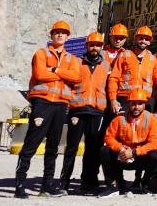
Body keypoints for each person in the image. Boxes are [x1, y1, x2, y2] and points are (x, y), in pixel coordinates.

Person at [14, 20, 81, 199]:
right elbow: (40, 74)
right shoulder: (41, 53)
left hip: (60, 105)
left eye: (63, 32)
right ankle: (20, 185)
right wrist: (61, 73)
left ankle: (47, 186)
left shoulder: (72, 59)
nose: (60, 35)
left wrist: (54, 69)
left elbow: (76, 77)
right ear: (51, 35)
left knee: (53, 146)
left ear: (68, 37)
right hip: (42, 103)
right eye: (56, 32)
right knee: (31, 144)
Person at [59, 31, 110, 195]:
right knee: (71, 148)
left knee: (92, 149)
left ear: (101, 47)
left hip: (96, 112)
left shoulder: (106, 65)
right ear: (86, 46)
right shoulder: (76, 63)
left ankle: (88, 183)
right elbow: (66, 83)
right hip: (77, 110)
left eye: (98, 45)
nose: (94, 47)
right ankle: (64, 183)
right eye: (91, 44)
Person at [99, 89, 157, 197]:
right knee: (104, 151)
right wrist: (121, 149)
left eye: (140, 103)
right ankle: (115, 185)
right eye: (133, 103)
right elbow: (108, 137)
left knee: (155, 156)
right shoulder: (119, 119)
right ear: (128, 104)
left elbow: (154, 143)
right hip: (122, 156)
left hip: (139, 157)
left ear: (145, 104)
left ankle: (145, 183)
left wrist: (134, 152)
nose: (136, 107)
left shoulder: (151, 119)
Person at [108, 26, 157, 115]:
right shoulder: (124, 56)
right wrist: (113, 99)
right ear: (135, 39)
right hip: (125, 100)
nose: (143, 41)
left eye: (146, 39)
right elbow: (113, 78)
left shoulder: (153, 60)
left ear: (150, 42)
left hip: (145, 101)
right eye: (141, 38)